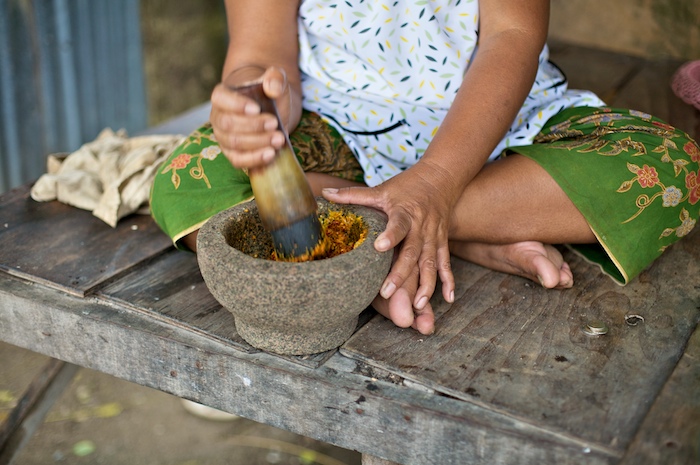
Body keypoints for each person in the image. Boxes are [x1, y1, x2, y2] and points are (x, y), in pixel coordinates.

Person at [151, 0, 700, 336]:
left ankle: (384, 243)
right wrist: (253, 106)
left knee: (670, 171)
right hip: (341, 130)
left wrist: (436, 182)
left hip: (499, 128)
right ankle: (465, 234)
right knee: (190, 182)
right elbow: (262, 56)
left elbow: (513, 36)